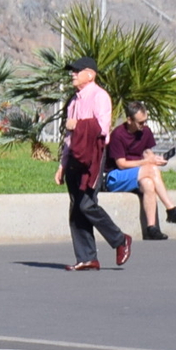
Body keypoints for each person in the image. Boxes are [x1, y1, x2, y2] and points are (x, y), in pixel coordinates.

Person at [57, 56, 130, 271]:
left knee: (87, 203)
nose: (73, 74)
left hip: (94, 156)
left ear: (90, 74)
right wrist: (62, 164)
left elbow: (102, 128)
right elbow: (69, 138)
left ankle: (120, 240)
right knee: (76, 209)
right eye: (72, 71)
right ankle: (87, 258)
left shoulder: (100, 96)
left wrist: (77, 124)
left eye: (77, 70)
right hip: (74, 159)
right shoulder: (73, 101)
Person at [103, 99, 176, 240]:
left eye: (145, 121)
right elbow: (121, 164)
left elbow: (147, 152)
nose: (143, 125)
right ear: (129, 120)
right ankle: (171, 209)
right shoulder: (118, 135)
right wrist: (147, 162)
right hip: (115, 177)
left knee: (148, 183)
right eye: (140, 122)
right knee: (150, 170)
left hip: (137, 174)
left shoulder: (145, 131)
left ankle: (151, 228)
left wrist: (156, 159)